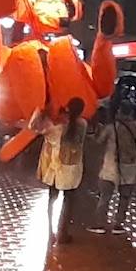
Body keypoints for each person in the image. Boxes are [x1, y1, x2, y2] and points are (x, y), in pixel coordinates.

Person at [33, 97, 89, 244]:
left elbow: (35, 127)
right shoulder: (83, 125)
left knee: (51, 200)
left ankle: (50, 231)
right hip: (72, 170)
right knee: (68, 202)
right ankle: (63, 232)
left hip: (54, 170)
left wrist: (42, 111)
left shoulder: (56, 127)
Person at [87, 103, 136, 236]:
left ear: (119, 112)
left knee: (105, 196)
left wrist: (95, 131)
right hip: (131, 166)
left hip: (111, 165)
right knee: (125, 197)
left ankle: (100, 224)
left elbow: (98, 141)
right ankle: (118, 225)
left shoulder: (111, 127)